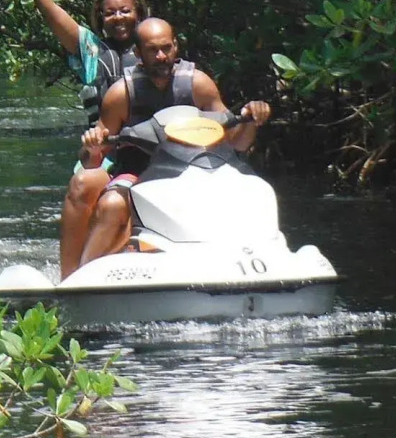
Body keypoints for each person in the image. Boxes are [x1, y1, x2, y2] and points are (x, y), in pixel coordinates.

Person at [0, 0, 149, 277]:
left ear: (140, 15)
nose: (119, 18)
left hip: (154, 152)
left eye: (126, 11)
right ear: (100, 19)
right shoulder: (89, 50)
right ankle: (70, 277)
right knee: (84, 185)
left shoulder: (157, 51)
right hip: (103, 153)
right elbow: (48, 8)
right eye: (110, 13)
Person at [76, 18, 271, 269]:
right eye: (152, 50)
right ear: (138, 53)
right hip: (138, 175)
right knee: (112, 204)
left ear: (176, 47)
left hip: (198, 172)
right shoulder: (121, 94)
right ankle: (86, 274)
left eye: (166, 48)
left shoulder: (198, 84)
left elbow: (236, 143)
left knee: (251, 190)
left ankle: (251, 259)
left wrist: (249, 120)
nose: (161, 56)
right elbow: (94, 159)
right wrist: (92, 146)